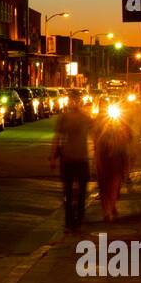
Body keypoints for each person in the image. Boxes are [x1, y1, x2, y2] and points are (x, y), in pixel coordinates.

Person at [51, 90, 92, 233]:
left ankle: (76, 221)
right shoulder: (64, 118)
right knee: (69, 192)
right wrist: (53, 157)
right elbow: (57, 138)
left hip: (79, 158)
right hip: (70, 158)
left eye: (76, 100)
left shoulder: (86, 118)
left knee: (79, 193)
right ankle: (71, 221)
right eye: (72, 100)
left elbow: (97, 133)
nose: (74, 103)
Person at [94, 109, 133, 222]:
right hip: (106, 163)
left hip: (115, 163)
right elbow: (98, 149)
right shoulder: (102, 135)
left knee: (113, 187)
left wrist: (126, 166)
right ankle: (108, 210)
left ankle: (110, 208)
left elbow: (126, 148)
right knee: (106, 187)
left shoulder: (121, 133)